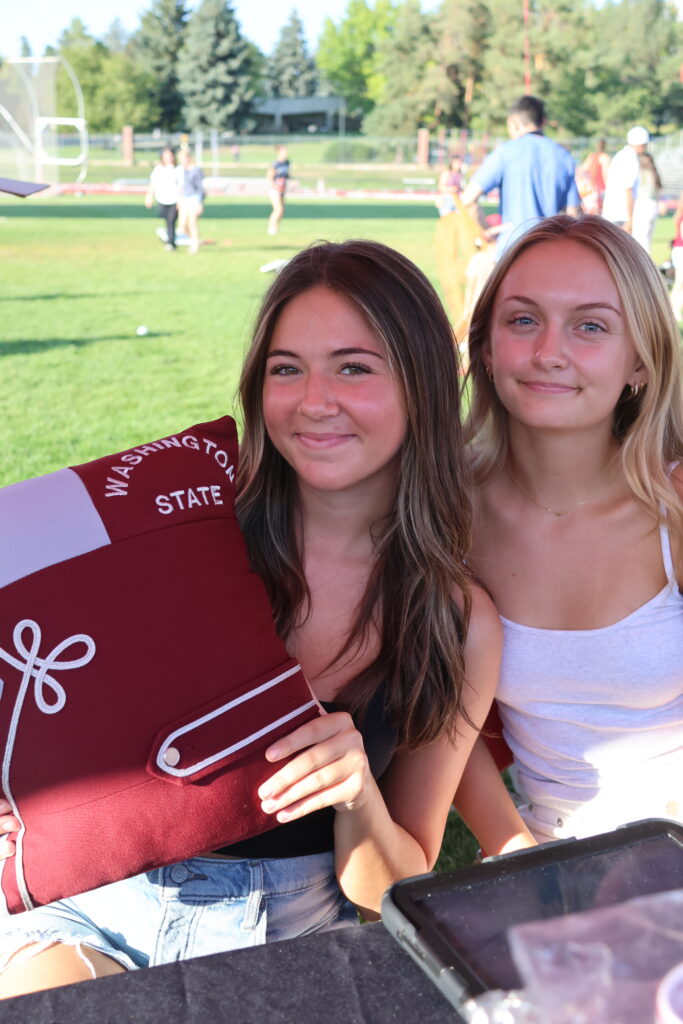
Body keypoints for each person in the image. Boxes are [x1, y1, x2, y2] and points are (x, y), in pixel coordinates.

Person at [0, 240, 507, 998]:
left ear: (425, 385)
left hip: (291, 934)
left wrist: (355, 795)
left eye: (354, 366)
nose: (312, 401)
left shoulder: (454, 618)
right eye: (285, 368)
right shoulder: (181, 537)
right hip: (94, 911)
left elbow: (393, 890)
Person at [453, 214, 683, 853]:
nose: (549, 352)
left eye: (590, 326)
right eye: (523, 320)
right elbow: (445, 722)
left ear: (640, 360)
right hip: (544, 852)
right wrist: (515, 853)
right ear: (488, 347)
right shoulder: (446, 513)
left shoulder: (674, 506)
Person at [459, 95, 580, 258]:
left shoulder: (505, 152)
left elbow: (467, 199)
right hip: (551, 252)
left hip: (512, 251)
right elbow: (573, 214)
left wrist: (487, 230)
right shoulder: (564, 156)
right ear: (543, 121)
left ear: (512, 123)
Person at [601, 125, 650, 235]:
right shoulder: (631, 159)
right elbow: (628, 189)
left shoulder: (621, 155)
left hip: (613, 212)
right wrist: (630, 219)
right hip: (621, 215)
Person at [144, 147, 180, 251]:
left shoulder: (178, 169)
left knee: (171, 221)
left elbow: (182, 186)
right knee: (166, 220)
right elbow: (153, 183)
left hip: (175, 199)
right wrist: (149, 196)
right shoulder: (159, 169)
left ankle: (171, 243)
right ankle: (170, 238)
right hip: (162, 198)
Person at [632, 150, 662, 255]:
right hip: (653, 205)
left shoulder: (641, 173)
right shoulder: (654, 173)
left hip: (643, 205)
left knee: (640, 238)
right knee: (647, 238)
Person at [177, 147, 205, 255]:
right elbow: (180, 186)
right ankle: (195, 240)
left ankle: (194, 245)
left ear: (188, 157)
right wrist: (179, 200)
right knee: (182, 225)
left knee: (192, 223)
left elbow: (200, 188)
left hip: (194, 199)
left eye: (183, 158)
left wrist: (199, 203)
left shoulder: (196, 170)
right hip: (184, 199)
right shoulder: (180, 170)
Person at [577, 138, 610, 215]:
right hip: (600, 189)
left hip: (592, 188)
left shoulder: (591, 156)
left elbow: (582, 170)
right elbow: (606, 175)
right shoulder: (605, 157)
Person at [267, 145, 290, 236]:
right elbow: (269, 178)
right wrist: (276, 186)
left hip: (282, 188)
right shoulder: (275, 164)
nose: (286, 153)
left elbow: (286, 175)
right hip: (274, 189)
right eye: (284, 151)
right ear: (278, 152)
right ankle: (271, 228)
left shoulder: (287, 162)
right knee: (278, 209)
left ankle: (276, 228)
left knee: (282, 209)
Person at [671, 193, 683, 322]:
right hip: (681, 251)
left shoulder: (678, 215)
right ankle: (673, 308)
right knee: (679, 282)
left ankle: (676, 307)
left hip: (678, 250)